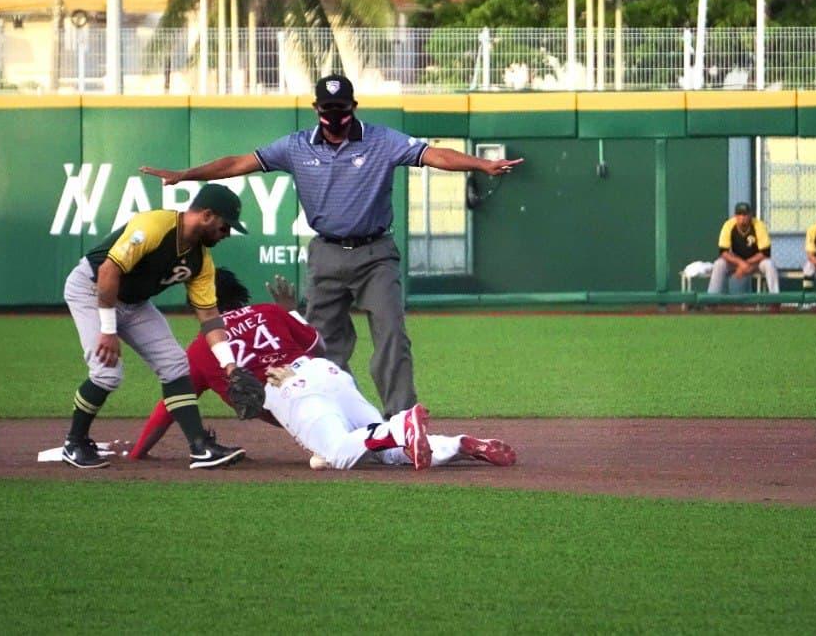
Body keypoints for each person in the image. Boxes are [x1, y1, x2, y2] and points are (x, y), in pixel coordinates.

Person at [140, 74, 523, 416]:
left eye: (340, 108)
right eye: (327, 108)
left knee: (391, 334)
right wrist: (187, 175)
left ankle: (401, 420)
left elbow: (434, 154)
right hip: (326, 253)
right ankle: (342, 418)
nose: (334, 114)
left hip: (376, 254)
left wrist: (480, 164)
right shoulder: (295, 146)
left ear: (353, 107)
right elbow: (240, 163)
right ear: (316, 108)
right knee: (320, 344)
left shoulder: (381, 140)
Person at [127, 271, 517, 471]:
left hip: (288, 391)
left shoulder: (200, 349)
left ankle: (400, 427)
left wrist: (138, 453)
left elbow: (171, 406)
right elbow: (316, 343)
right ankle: (460, 442)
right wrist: (291, 310)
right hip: (326, 373)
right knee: (387, 453)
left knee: (337, 455)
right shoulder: (269, 311)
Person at [59, 184, 249, 470]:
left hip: (134, 303)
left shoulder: (200, 260)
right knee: (107, 373)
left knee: (175, 365)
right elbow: (109, 270)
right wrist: (108, 330)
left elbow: (209, 315)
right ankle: (74, 443)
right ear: (207, 215)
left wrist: (230, 365)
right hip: (91, 288)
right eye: (225, 226)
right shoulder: (155, 225)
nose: (227, 234)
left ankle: (200, 447)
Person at [708, 202, 779, 293]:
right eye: (739, 214)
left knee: (769, 264)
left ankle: (775, 299)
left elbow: (765, 253)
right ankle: (711, 298)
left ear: (750, 215)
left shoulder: (758, 225)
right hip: (735, 262)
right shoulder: (729, 225)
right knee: (719, 264)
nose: (742, 218)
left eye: (745, 214)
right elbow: (723, 252)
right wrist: (741, 263)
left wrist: (746, 264)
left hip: (756, 262)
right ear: (735, 216)